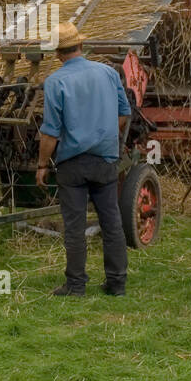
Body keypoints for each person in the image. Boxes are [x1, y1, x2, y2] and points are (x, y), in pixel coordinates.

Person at [35, 22, 132, 296]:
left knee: (74, 226)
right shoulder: (108, 73)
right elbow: (124, 113)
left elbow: (50, 132)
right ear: (81, 45)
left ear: (58, 53)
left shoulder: (55, 81)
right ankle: (117, 283)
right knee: (111, 222)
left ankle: (76, 285)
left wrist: (42, 165)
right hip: (104, 160)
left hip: (72, 164)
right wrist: (105, 133)